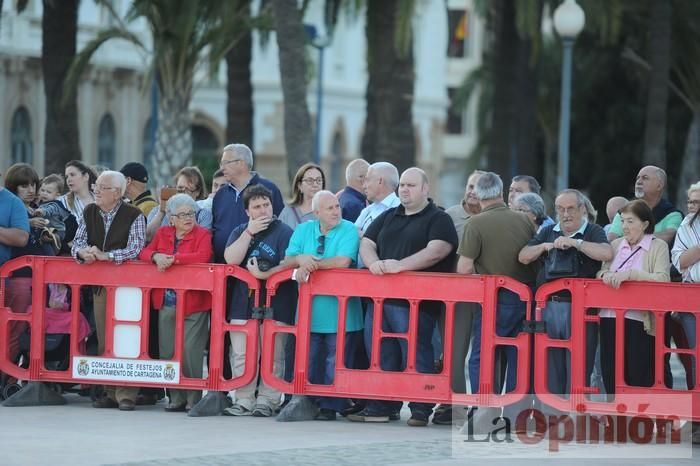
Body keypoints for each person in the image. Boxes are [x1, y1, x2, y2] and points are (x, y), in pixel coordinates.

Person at [349, 168, 458, 426]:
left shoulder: (438, 218)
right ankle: (381, 406)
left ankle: (421, 408)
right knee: (379, 352)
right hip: (380, 299)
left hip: (418, 303)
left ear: (425, 189)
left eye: (411, 185)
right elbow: (366, 242)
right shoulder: (389, 215)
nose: (405, 190)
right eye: (403, 186)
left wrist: (400, 265)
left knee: (416, 354)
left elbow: (438, 250)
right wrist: (373, 263)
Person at [456, 172, 537, 429]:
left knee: (482, 356)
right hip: (526, 298)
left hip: (494, 300)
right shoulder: (524, 220)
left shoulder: (475, 224)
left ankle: (485, 412)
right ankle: (515, 416)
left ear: (479, 196)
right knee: (518, 356)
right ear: (502, 193)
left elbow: (464, 268)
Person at [519, 189, 612, 395]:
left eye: (571, 208)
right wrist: (545, 246)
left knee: (579, 364)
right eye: (560, 209)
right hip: (549, 306)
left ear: (582, 209)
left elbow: (606, 252)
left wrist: (576, 243)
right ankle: (553, 418)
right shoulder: (548, 230)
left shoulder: (593, 231)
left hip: (581, 308)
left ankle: (574, 417)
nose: (566, 214)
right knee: (550, 364)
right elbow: (524, 256)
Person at [282, 190, 363, 420]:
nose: (336, 211)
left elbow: (343, 261)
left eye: (337, 206)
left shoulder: (348, 229)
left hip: (342, 313)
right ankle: (308, 402)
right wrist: (300, 260)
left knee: (334, 361)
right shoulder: (303, 229)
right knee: (310, 358)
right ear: (316, 212)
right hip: (310, 311)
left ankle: (330, 406)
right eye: (330, 208)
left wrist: (311, 264)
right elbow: (288, 258)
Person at [72, 170, 146, 411]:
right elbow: (79, 241)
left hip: (129, 288)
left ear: (116, 193)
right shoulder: (89, 211)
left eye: (101, 187)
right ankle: (110, 391)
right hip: (101, 287)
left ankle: (126, 394)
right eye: (96, 186)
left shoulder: (134, 215)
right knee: (105, 338)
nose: (95, 190)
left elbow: (135, 248)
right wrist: (82, 253)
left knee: (127, 339)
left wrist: (107, 256)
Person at [222, 184, 296, 417]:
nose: (263, 210)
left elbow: (290, 262)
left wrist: (267, 273)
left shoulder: (284, 231)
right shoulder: (240, 230)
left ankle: (268, 400)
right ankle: (243, 399)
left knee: (273, 354)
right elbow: (231, 260)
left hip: (277, 303)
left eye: (266, 205)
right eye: (257, 206)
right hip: (243, 303)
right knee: (242, 353)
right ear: (247, 211)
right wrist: (248, 233)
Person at [139, 194, 212, 412]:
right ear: (171, 219)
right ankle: (175, 397)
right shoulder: (163, 233)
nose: (188, 218)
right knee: (168, 351)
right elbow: (144, 251)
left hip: (194, 303)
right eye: (182, 215)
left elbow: (204, 255)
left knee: (191, 351)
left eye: (191, 213)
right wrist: (155, 257)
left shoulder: (203, 234)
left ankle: (193, 398)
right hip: (166, 302)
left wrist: (173, 260)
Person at [598, 200, 670, 395]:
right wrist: (605, 276)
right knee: (611, 374)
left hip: (640, 320)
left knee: (638, 376)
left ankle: (641, 423)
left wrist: (632, 275)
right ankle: (615, 423)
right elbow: (601, 272)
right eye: (622, 221)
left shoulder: (658, 246)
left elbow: (663, 279)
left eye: (630, 221)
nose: (625, 227)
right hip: (609, 317)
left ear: (645, 224)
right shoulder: (614, 244)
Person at [212, 143, 284, 262]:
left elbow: (279, 225)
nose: (221, 168)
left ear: (241, 163)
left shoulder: (269, 189)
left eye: (225, 163)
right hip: (222, 269)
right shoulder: (220, 194)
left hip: (257, 268)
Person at [671, 181, 700, 444]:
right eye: (691, 202)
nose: (693, 207)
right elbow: (680, 262)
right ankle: (697, 420)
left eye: (698, 202)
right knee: (696, 360)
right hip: (693, 301)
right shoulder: (684, 227)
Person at [607, 166, 682, 245]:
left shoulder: (672, 215)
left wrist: (631, 240)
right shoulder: (624, 211)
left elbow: (667, 237)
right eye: (638, 178)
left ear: (659, 186)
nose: (639, 182)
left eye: (645, 178)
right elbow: (612, 239)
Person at [146, 166, 212, 242]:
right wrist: (162, 212)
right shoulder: (158, 211)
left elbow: (203, 242)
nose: (182, 194)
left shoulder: (204, 215)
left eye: (187, 190)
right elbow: (147, 239)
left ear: (198, 192)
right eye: (180, 189)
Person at [354, 162, 400, 236]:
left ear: (380, 181)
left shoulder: (400, 209)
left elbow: (388, 239)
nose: (364, 186)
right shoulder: (368, 210)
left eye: (367, 180)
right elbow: (352, 234)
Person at [279, 163, 325, 230]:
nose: (315, 184)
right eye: (310, 180)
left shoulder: (330, 211)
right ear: (299, 186)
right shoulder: (288, 213)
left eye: (319, 180)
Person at [445, 170, 484, 240]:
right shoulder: (449, 215)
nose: (473, 192)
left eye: (479, 188)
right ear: (466, 187)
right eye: (471, 187)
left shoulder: (492, 217)